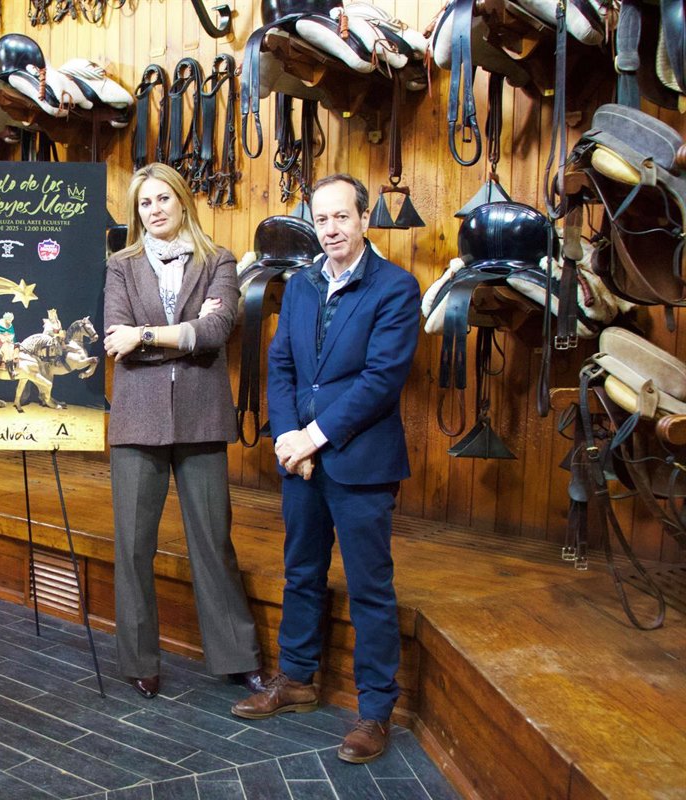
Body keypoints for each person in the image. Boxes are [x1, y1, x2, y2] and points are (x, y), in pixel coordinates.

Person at [230, 174, 420, 765]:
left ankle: (375, 710)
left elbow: (381, 380)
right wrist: (288, 436)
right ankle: (296, 680)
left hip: (360, 462)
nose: (332, 229)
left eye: (342, 217)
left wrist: (312, 438)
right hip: (301, 459)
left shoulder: (396, 287)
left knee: (369, 588)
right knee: (302, 572)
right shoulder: (302, 284)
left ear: (363, 218)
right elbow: (282, 364)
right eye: (323, 219)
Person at [102, 162, 263, 699]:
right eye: (145, 202)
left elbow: (216, 330)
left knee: (213, 542)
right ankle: (139, 660)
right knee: (133, 545)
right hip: (137, 419)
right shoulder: (121, 265)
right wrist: (183, 334)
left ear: (182, 200)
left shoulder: (219, 260)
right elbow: (116, 337)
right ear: (137, 211)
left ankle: (237, 656)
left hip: (201, 415)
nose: (155, 209)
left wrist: (146, 336)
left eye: (163, 198)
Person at [0, 311, 17, 378]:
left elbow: (12, 334)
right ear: (6, 319)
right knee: (7, 350)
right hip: (2, 343)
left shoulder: (10, 325)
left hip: (9, 342)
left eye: (11, 320)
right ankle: (10, 369)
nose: (10, 321)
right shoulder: (0, 325)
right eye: (9, 320)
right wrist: (4, 338)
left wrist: (9, 338)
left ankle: (15, 364)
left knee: (15, 348)